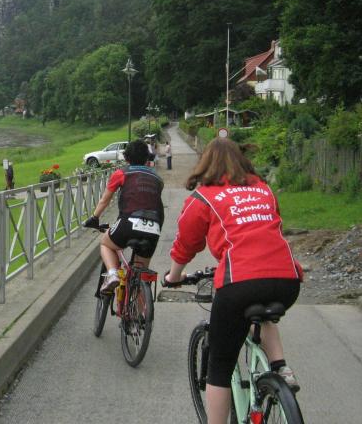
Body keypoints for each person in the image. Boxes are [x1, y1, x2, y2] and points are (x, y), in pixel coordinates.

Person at [164, 137, 302, 424]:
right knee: (261, 311)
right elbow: (272, 226)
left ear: (206, 164)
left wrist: (174, 277)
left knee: (220, 366)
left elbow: (186, 243)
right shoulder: (263, 189)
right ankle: (281, 367)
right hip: (287, 279)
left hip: (240, 282)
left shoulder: (204, 197)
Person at [83, 139, 164, 292]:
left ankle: (113, 274)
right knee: (141, 274)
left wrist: (94, 218)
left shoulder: (121, 173)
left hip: (129, 221)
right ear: (147, 159)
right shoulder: (157, 178)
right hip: (154, 227)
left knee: (106, 243)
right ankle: (141, 304)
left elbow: (105, 200)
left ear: (126, 158)